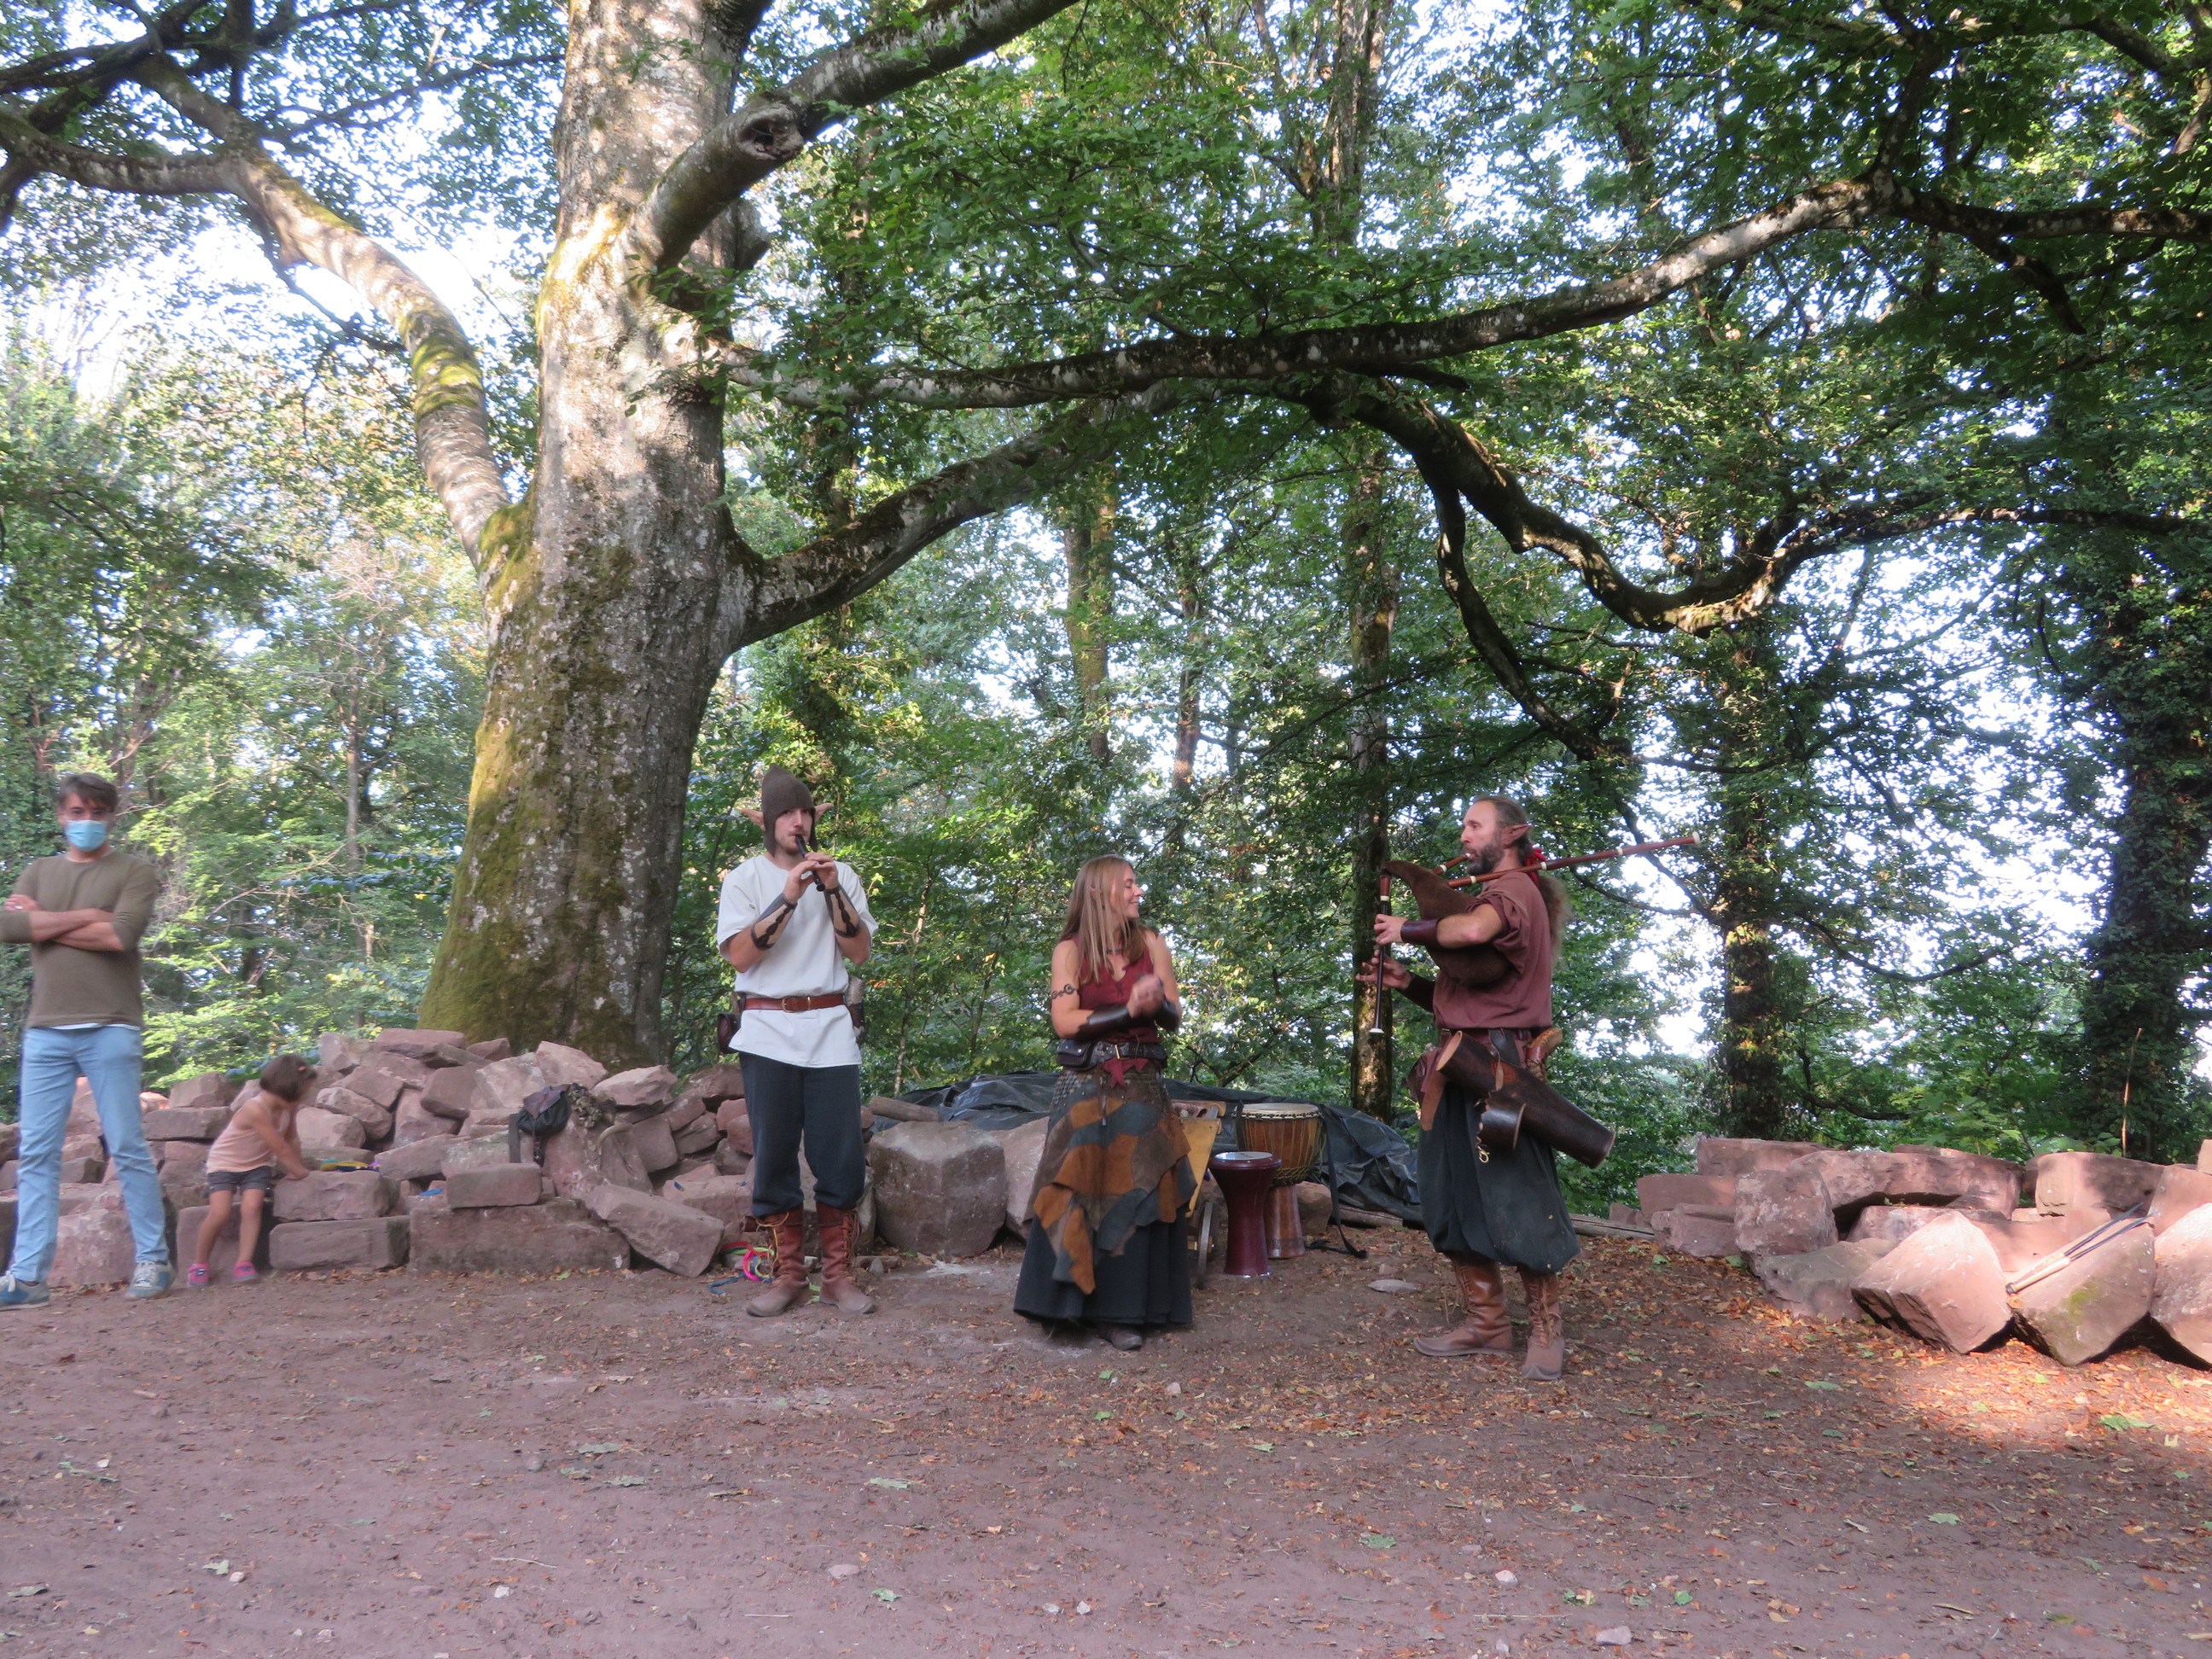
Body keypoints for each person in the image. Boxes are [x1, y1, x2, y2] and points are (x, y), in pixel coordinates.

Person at [1363, 795, 1578, 1380]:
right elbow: (1468, 999)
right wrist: (1408, 983)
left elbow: (1473, 930)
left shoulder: (1514, 891)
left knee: (1518, 1193)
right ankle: (1487, 1323)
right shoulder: (1494, 892)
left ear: (1511, 835)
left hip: (1502, 1070)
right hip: (1458, 1064)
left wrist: (1407, 929)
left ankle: (1547, 1329)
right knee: (1451, 1191)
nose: (1464, 835)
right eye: (1463, 825)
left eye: (1474, 825)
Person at [0, 772, 172, 1308]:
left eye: (98, 812)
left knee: (126, 1145)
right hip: (45, 1030)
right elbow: (8, 928)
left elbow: (120, 935)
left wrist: (44, 922)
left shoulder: (134, 871)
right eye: (77, 812)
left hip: (112, 1025)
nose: (87, 821)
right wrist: (88, 917)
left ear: (111, 817)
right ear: (62, 816)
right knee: (36, 1154)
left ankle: (153, 1261)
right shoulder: (39, 870)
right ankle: (27, 1278)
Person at [1014, 856, 1195, 1351]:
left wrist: (1157, 1004)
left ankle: (1123, 1313)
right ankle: (1067, 1308)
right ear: (1098, 892)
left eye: (1137, 884)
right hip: (1085, 1086)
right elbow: (1065, 1022)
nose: (1138, 892)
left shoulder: (1151, 942)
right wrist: (1128, 1009)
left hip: (1142, 1085)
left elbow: (1174, 1015)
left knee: (1138, 1190)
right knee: (1078, 1190)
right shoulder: (1070, 950)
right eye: (1128, 884)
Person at [715, 765, 876, 1318]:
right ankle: (787, 1275)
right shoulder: (744, 880)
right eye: (786, 813)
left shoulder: (842, 875)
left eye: (805, 812)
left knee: (840, 1154)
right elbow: (741, 957)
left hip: (830, 1028)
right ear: (766, 821)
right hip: (767, 1031)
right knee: (775, 1154)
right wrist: (787, 897)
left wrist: (830, 889)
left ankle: (836, 1276)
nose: (798, 822)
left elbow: (859, 952)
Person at [189, 1055, 317, 1286]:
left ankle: (244, 1262)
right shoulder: (255, 1109)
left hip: (257, 1165)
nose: (304, 1098)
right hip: (224, 1163)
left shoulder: (288, 1108)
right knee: (220, 1212)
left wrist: (298, 1166)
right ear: (289, 1090)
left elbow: (291, 1138)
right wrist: (300, 1172)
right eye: (303, 1093)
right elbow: (278, 1146)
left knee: (252, 1207)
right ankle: (199, 1264)